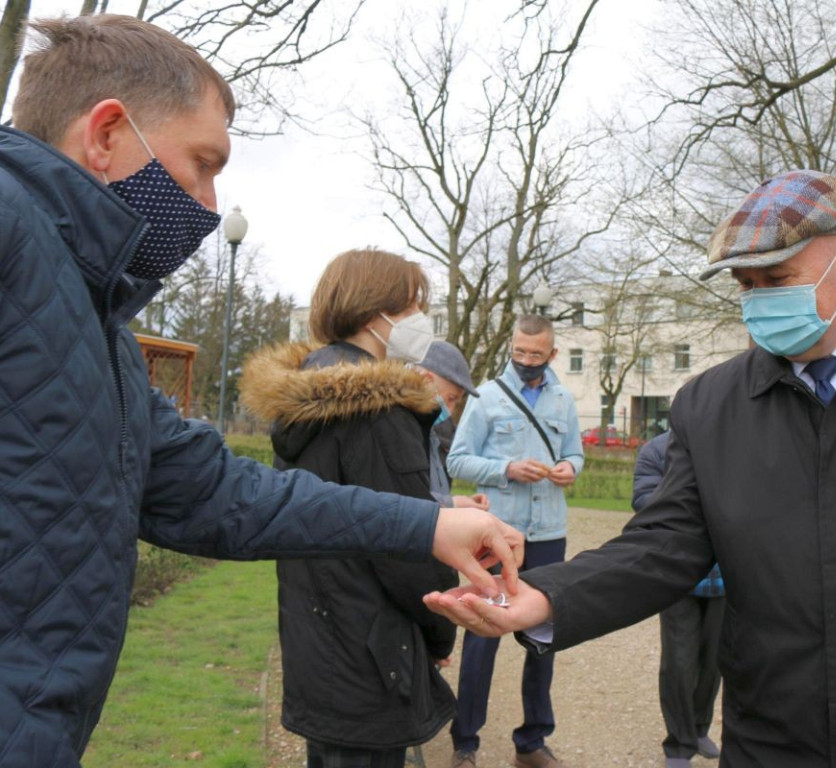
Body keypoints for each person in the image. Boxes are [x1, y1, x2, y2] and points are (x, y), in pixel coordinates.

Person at [0, 15, 522, 766]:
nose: (211, 205)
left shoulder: (97, 323)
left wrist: (426, 527)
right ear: (107, 133)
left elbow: (213, 492)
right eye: (203, 161)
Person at [425, 169, 836, 768]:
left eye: (779, 279)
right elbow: (664, 546)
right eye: (747, 284)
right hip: (772, 743)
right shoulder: (711, 404)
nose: (761, 299)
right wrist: (544, 597)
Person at [238, 249, 462, 768]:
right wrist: (440, 626)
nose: (418, 320)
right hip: (372, 651)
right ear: (372, 314)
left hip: (321, 641)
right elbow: (409, 541)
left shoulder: (308, 400)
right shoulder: (378, 409)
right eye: (411, 307)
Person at [445, 314, 585, 768]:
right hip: (496, 537)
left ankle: (532, 742)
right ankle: (465, 742)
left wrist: (570, 469)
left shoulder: (564, 399)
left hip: (549, 535)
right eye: (519, 352)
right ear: (512, 347)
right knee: (482, 638)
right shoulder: (486, 397)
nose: (526, 361)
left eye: (535, 354)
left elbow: (575, 453)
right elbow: (457, 461)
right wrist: (505, 469)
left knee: (543, 639)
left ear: (552, 354)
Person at [633, 432, 725, 768]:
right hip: (675, 574)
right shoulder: (656, 451)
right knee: (679, 663)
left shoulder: (726, 444)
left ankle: (699, 728)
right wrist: (697, 501)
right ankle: (679, 744)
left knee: (714, 660)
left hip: (726, 574)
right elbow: (644, 500)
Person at [416, 340, 489, 510]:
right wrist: (452, 503)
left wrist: (455, 502)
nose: (450, 410)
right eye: (451, 399)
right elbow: (401, 499)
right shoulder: (398, 427)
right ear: (427, 380)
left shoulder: (429, 428)